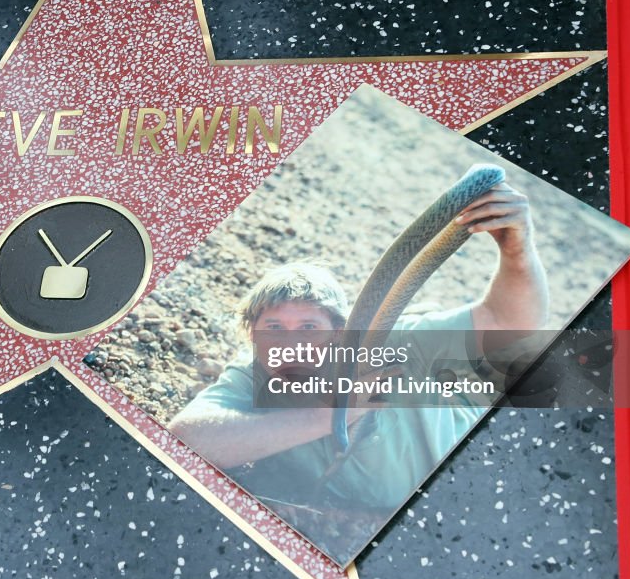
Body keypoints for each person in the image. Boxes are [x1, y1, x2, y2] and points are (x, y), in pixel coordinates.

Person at [167, 181, 549, 510]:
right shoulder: (252, 376)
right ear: (253, 335)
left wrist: (518, 252)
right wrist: (333, 413)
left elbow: (508, 323)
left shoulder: (394, 341)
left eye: (308, 325)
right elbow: (187, 438)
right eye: (274, 326)